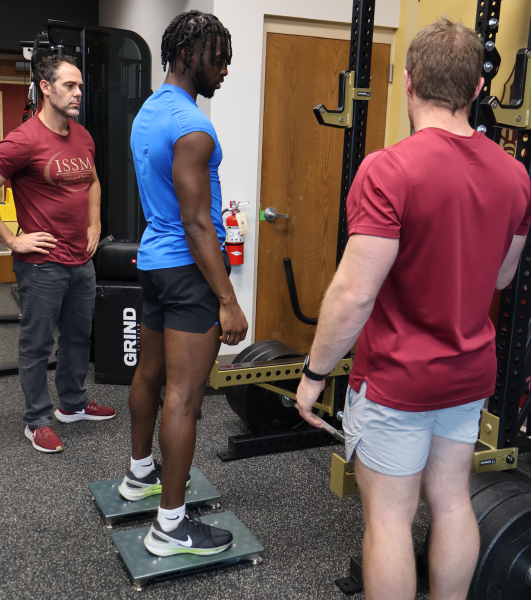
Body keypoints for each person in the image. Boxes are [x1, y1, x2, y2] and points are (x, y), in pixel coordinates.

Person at [296, 18, 531, 600]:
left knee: (390, 519)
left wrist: (313, 375)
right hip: (468, 372)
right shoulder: (516, 174)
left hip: (398, 379)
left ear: (409, 81)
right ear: (478, 88)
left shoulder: (388, 168)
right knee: (452, 500)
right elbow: (502, 275)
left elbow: (354, 294)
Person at [118, 11, 248, 557]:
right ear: (188, 53)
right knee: (186, 397)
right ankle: (170, 527)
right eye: (217, 58)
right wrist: (227, 300)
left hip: (155, 264)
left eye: (227, 60)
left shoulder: (148, 112)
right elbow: (197, 223)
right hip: (191, 271)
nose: (223, 70)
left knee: (148, 375)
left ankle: (140, 474)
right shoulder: (194, 128)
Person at [0, 55, 116, 454]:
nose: (78, 92)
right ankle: (36, 421)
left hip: (81, 261)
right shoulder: (24, 139)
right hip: (42, 265)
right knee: (37, 345)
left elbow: (93, 181)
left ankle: (74, 404)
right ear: (45, 88)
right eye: (69, 85)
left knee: (79, 338)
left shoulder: (82, 136)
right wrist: (11, 241)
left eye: (80, 86)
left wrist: (95, 224)